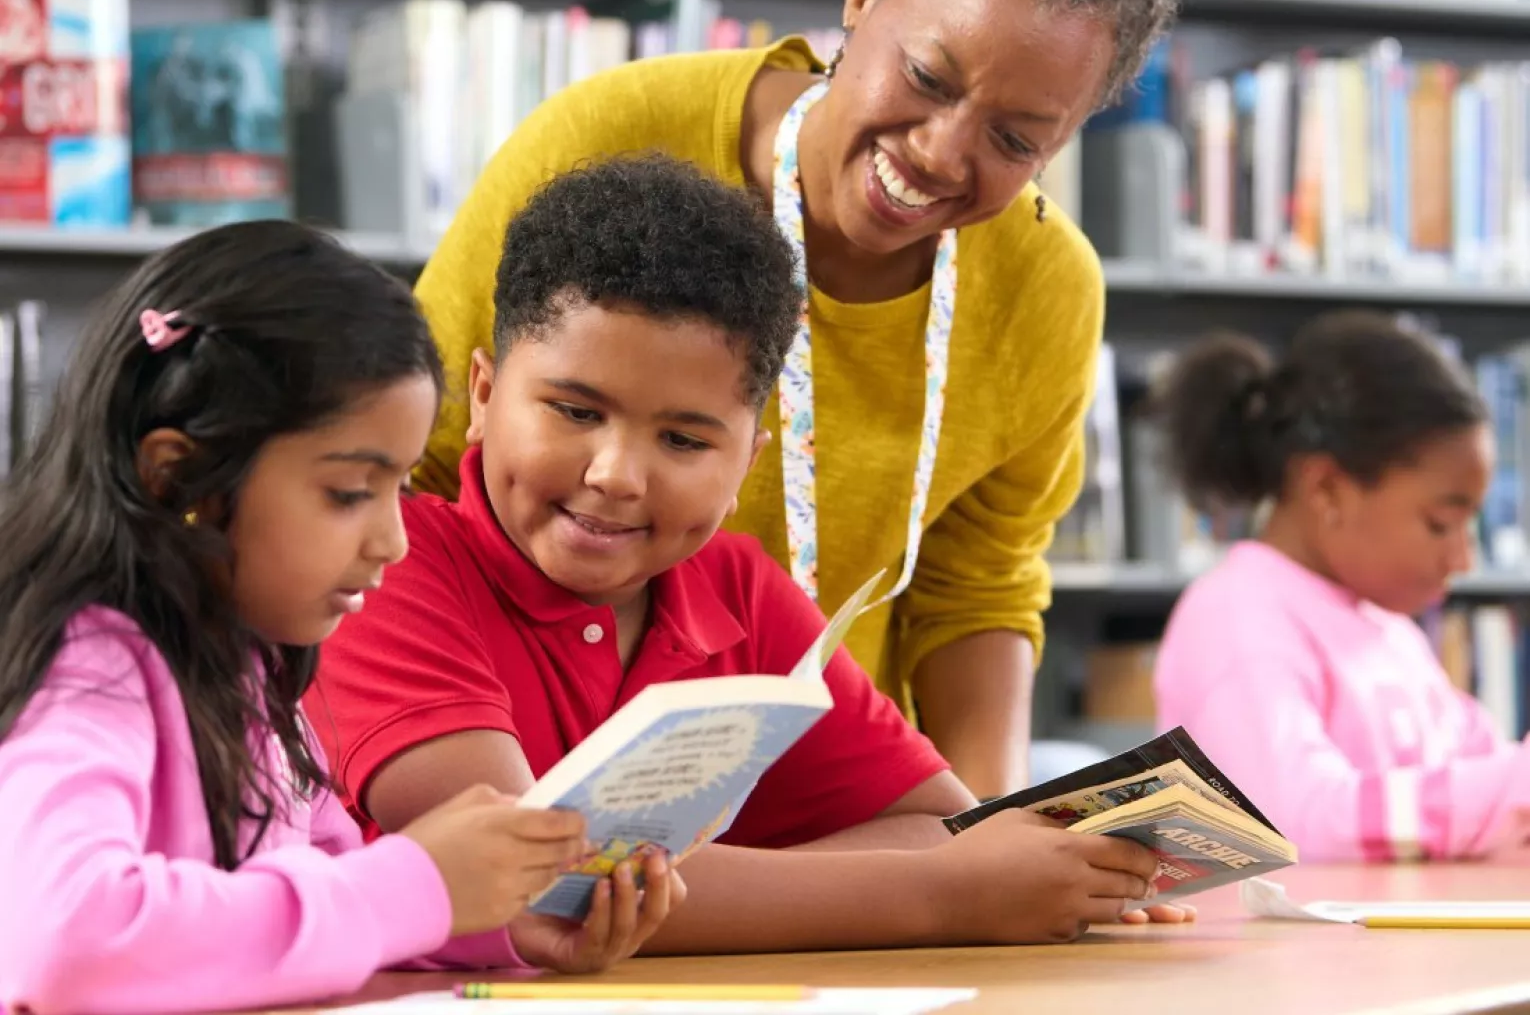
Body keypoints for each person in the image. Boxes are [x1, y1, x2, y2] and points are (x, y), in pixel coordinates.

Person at [411, 0, 1209, 797]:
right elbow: (418, 464)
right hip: (519, 769)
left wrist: (991, 847)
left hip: (826, 811)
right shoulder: (611, 138)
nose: (939, 153)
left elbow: (978, 592)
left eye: (1017, 140)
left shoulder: (1045, 288)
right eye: (927, 75)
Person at [310, 154, 1187, 956]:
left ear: (748, 463)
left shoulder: (739, 590)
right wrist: (952, 895)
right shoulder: (387, 565)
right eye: (575, 412)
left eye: (685, 441)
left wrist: (979, 876)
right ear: (484, 393)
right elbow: (530, 880)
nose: (616, 476)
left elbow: (942, 829)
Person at [0, 223, 681, 1015]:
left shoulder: (251, 669)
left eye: (397, 488)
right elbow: (68, 945)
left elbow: (316, 901)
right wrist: (415, 884)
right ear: (178, 476)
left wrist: (496, 925)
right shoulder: (88, 663)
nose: (392, 540)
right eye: (350, 492)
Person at [1151, 310, 1530, 862]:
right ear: (1326, 488)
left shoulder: (1390, 631)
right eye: (1440, 524)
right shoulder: (1237, 615)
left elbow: (1486, 775)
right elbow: (1286, 825)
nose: (1463, 558)